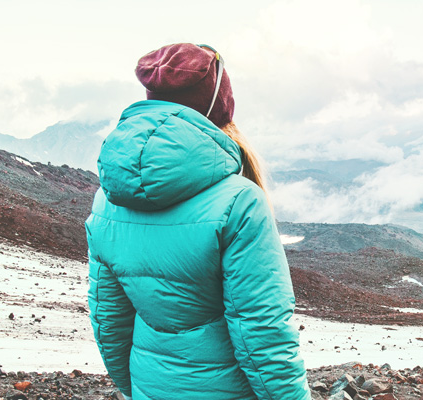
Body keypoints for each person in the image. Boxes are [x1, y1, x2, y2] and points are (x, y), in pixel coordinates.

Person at [85, 43, 311, 400]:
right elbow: (262, 331)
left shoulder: (107, 200)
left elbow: (108, 319)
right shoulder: (240, 200)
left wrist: (136, 390)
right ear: (218, 105)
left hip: (150, 387)